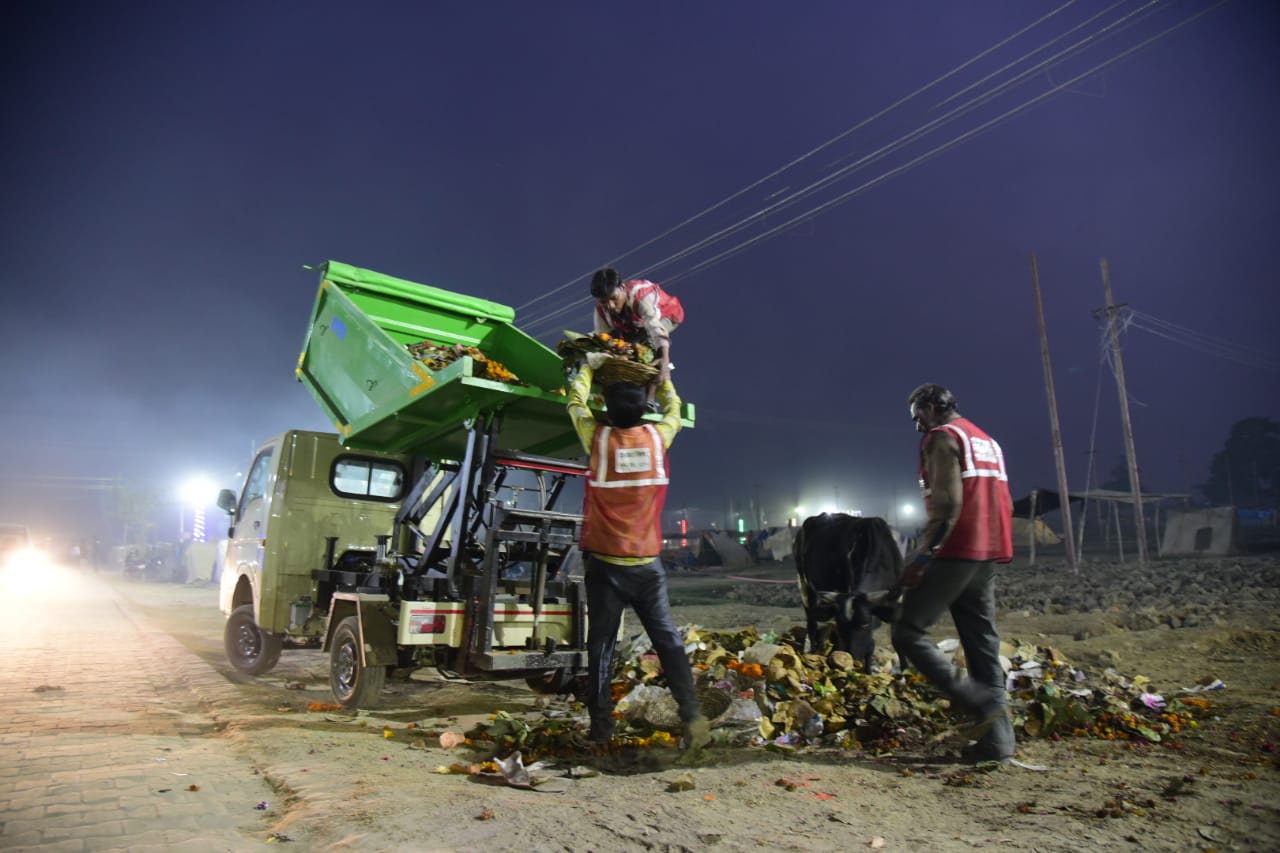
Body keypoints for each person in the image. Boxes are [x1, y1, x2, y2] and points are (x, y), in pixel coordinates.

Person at [566, 361, 711, 752]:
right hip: (647, 566)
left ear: (607, 411)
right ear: (644, 410)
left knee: (601, 646)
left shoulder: (596, 439)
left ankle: (600, 730)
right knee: (667, 641)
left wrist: (589, 368)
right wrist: (664, 379)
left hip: (605, 566)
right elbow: (675, 409)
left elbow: (575, 402)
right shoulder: (658, 438)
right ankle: (693, 717)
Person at [891, 383, 1017, 764]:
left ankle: (975, 701)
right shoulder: (985, 439)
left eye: (917, 417)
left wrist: (923, 557)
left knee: (907, 631)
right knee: (982, 643)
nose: (917, 427)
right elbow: (1001, 500)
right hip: (988, 552)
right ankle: (998, 744)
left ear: (931, 406)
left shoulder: (941, 439)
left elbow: (946, 505)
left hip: (957, 549)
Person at [590, 267, 684, 408]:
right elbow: (603, 339)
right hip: (634, 325)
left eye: (614, 299)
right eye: (604, 302)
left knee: (647, 346)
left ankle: (650, 399)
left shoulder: (641, 296)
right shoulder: (601, 310)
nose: (610, 306)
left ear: (622, 288)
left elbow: (655, 328)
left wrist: (664, 360)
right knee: (620, 346)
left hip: (665, 316)